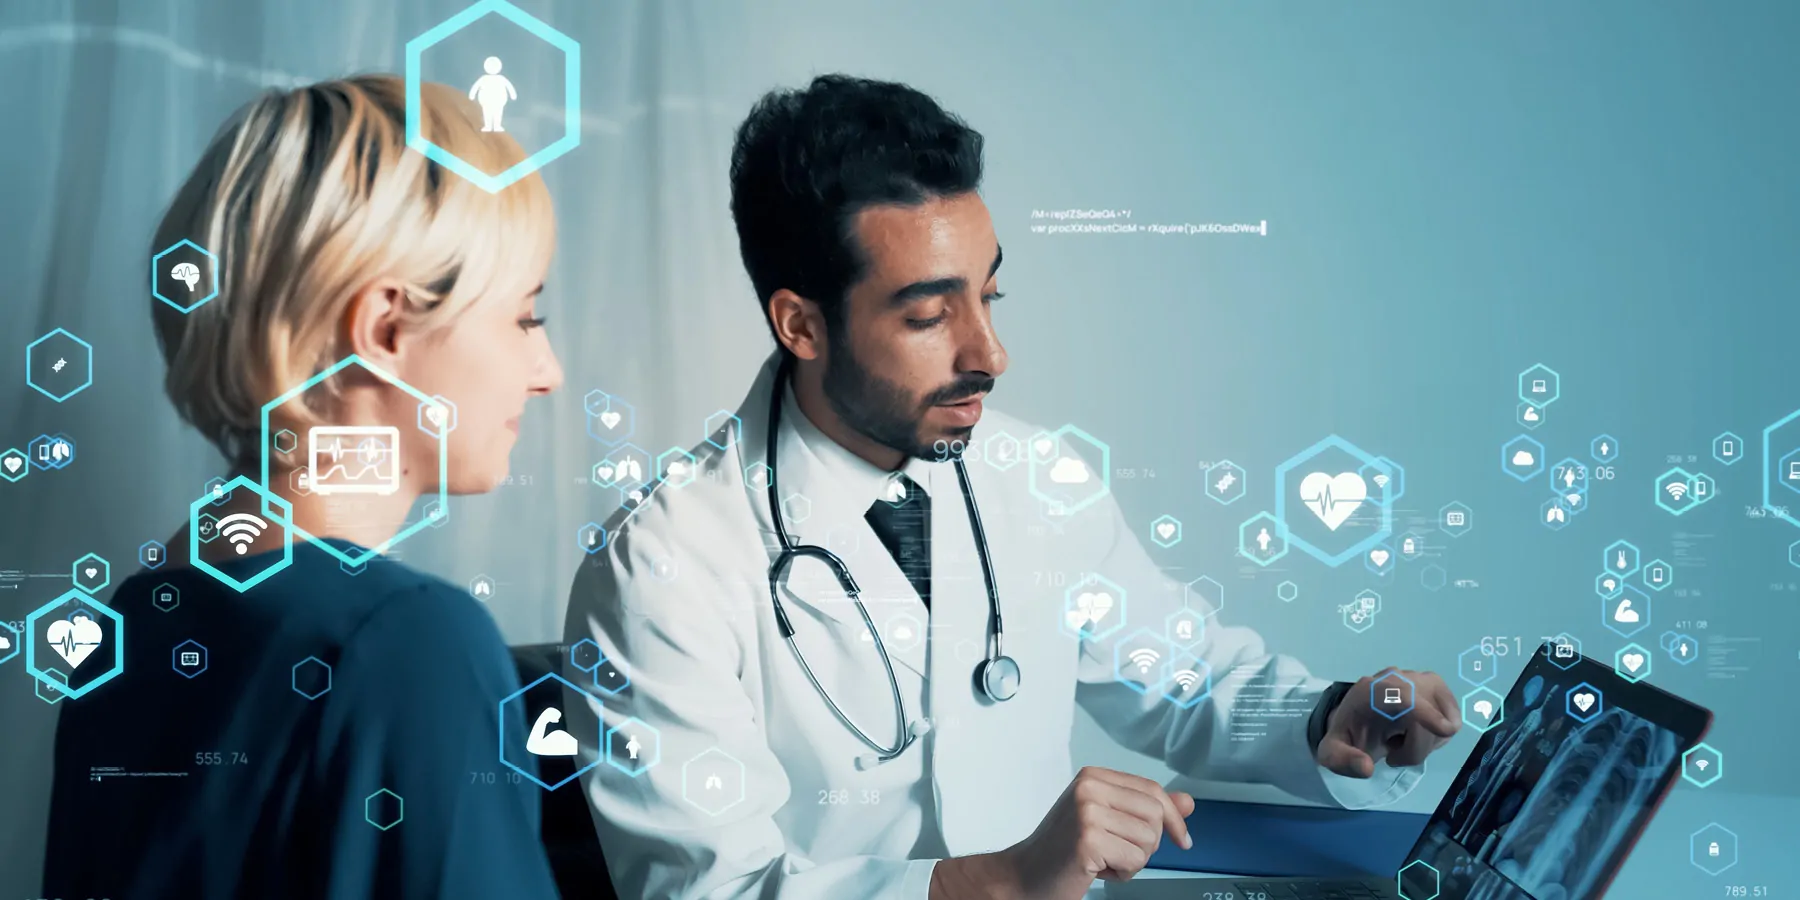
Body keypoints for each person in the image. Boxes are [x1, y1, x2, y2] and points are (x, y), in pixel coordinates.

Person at [563, 74, 1460, 900]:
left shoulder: (1037, 477)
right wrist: (998, 883)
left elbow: (1182, 675)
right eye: (927, 315)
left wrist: (1326, 715)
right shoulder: (660, 565)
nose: (989, 356)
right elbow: (709, 890)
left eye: (989, 298)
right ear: (801, 324)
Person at [43, 75, 564, 900]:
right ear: (385, 329)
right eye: (525, 317)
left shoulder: (128, 625)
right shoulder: (409, 642)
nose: (547, 372)